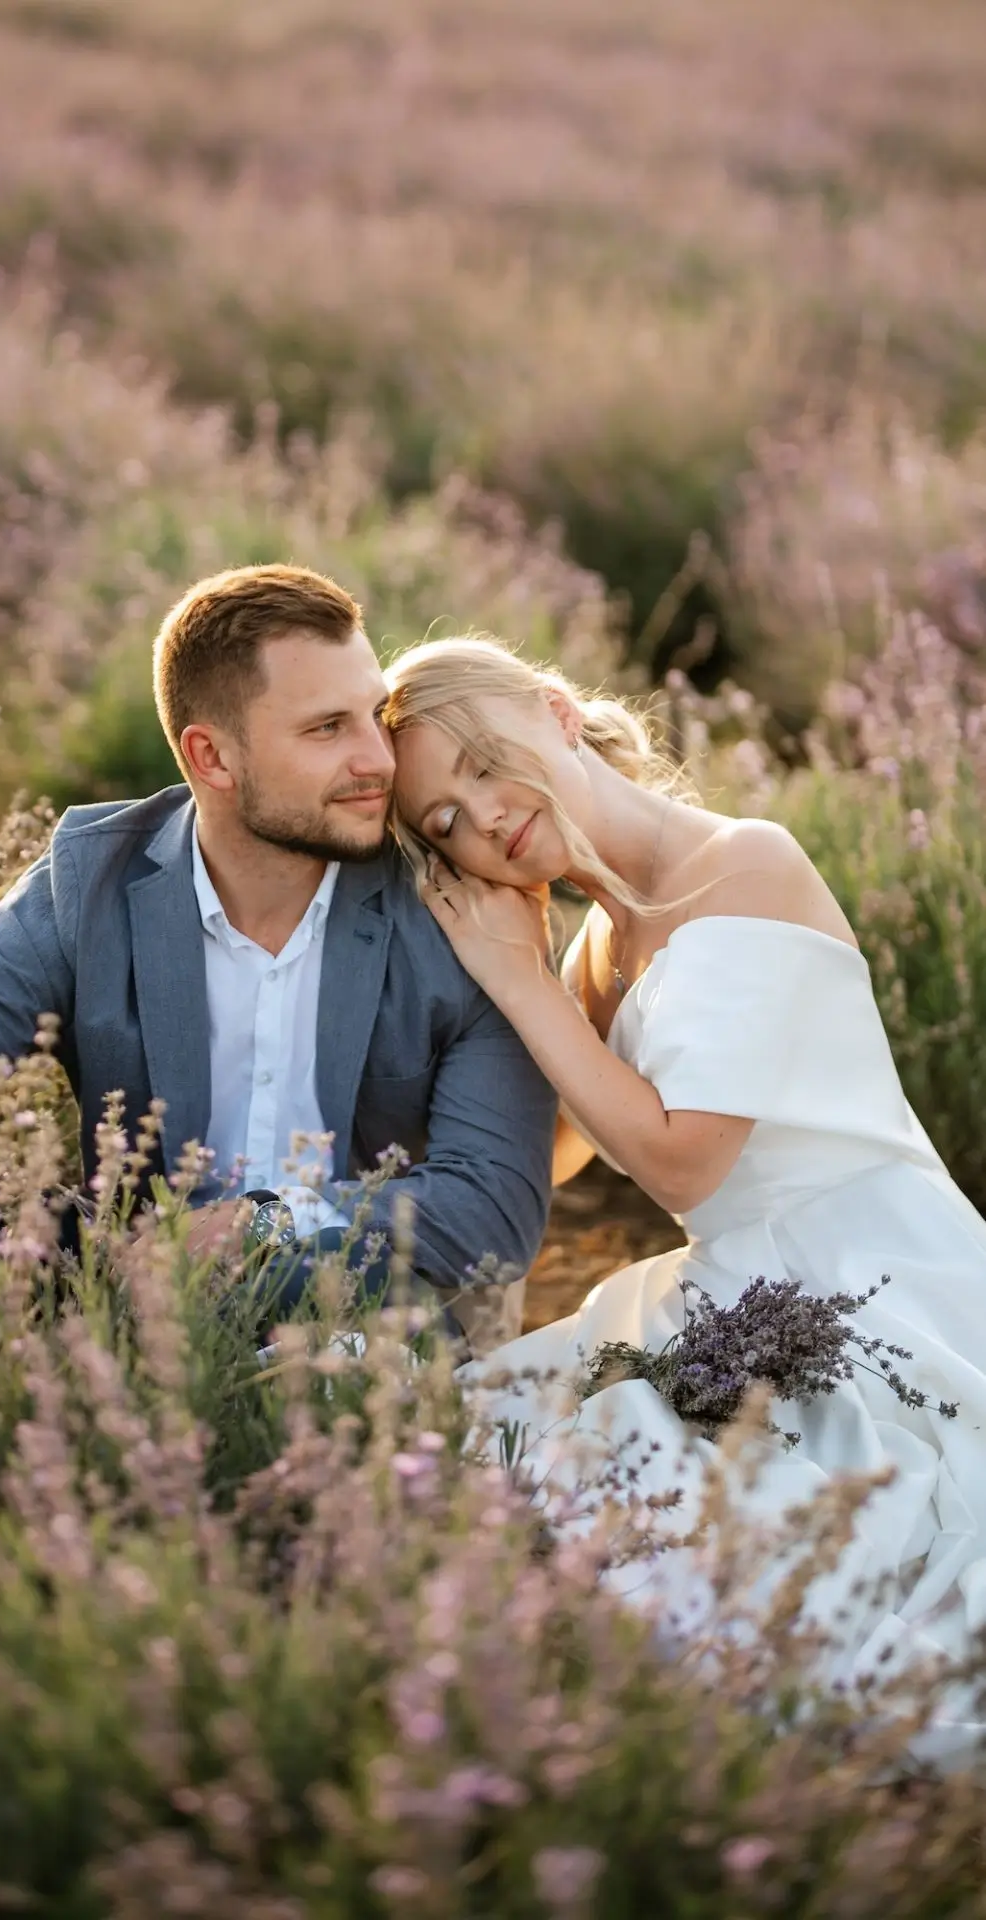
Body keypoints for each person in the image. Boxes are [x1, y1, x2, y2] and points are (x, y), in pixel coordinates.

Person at [384, 633, 986, 1754]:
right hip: (732, 1289)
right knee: (492, 1447)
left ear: (557, 712)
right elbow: (559, 1153)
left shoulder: (743, 864)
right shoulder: (598, 949)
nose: (482, 818)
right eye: (443, 826)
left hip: (880, 1274)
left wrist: (518, 984)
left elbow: (681, 1162)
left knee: (813, 1550)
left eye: (480, 763)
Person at [0, 568, 556, 1338]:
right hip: (130, 1301)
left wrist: (256, 1223)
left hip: (362, 1320)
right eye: (327, 728)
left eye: (375, 715)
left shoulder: (458, 907)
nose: (380, 761)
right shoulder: (89, 884)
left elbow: (491, 1210)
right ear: (212, 758)